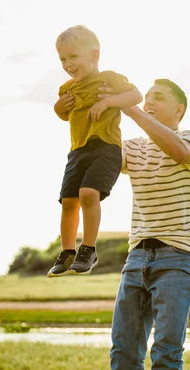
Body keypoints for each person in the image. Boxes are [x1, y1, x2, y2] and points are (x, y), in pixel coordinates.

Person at [101, 79, 190, 370]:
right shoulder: (133, 147)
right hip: (137, 257)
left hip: (178, 257)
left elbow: (179, 151)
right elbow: (102, 165)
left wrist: (132, 111)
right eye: (146, 97)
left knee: (165, 358)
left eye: (157, 98)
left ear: (179, 109)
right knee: (123, 358)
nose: (149, 101)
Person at [48, 25, 143, 278]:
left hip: (106, 146)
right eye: (63, 59)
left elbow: (136, 95)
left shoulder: (110, 78)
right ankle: (67, 252)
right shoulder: (67, 88)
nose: (68, 64)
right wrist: (58, 107)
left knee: (88, 193)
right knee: (68, 201)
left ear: (94, 55)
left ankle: (88, 249)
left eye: (73, 57)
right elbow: (64, 115)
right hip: (77, 150)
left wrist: (108, 101)